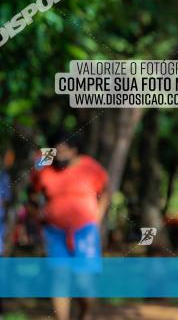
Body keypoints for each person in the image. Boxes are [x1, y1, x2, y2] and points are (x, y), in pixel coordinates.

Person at [28, 132, 109, 320]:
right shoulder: (45, 169)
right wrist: (37, 215)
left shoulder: (90, 167)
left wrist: (98, 215)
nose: (60, 154)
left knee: (84, 281)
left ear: (75, 150)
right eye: (57, 149)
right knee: (60, 277)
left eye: (65, 149)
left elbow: (106, 191)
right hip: (55, 232)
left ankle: (85, 312)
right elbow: (31, 196)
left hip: (85, 231)